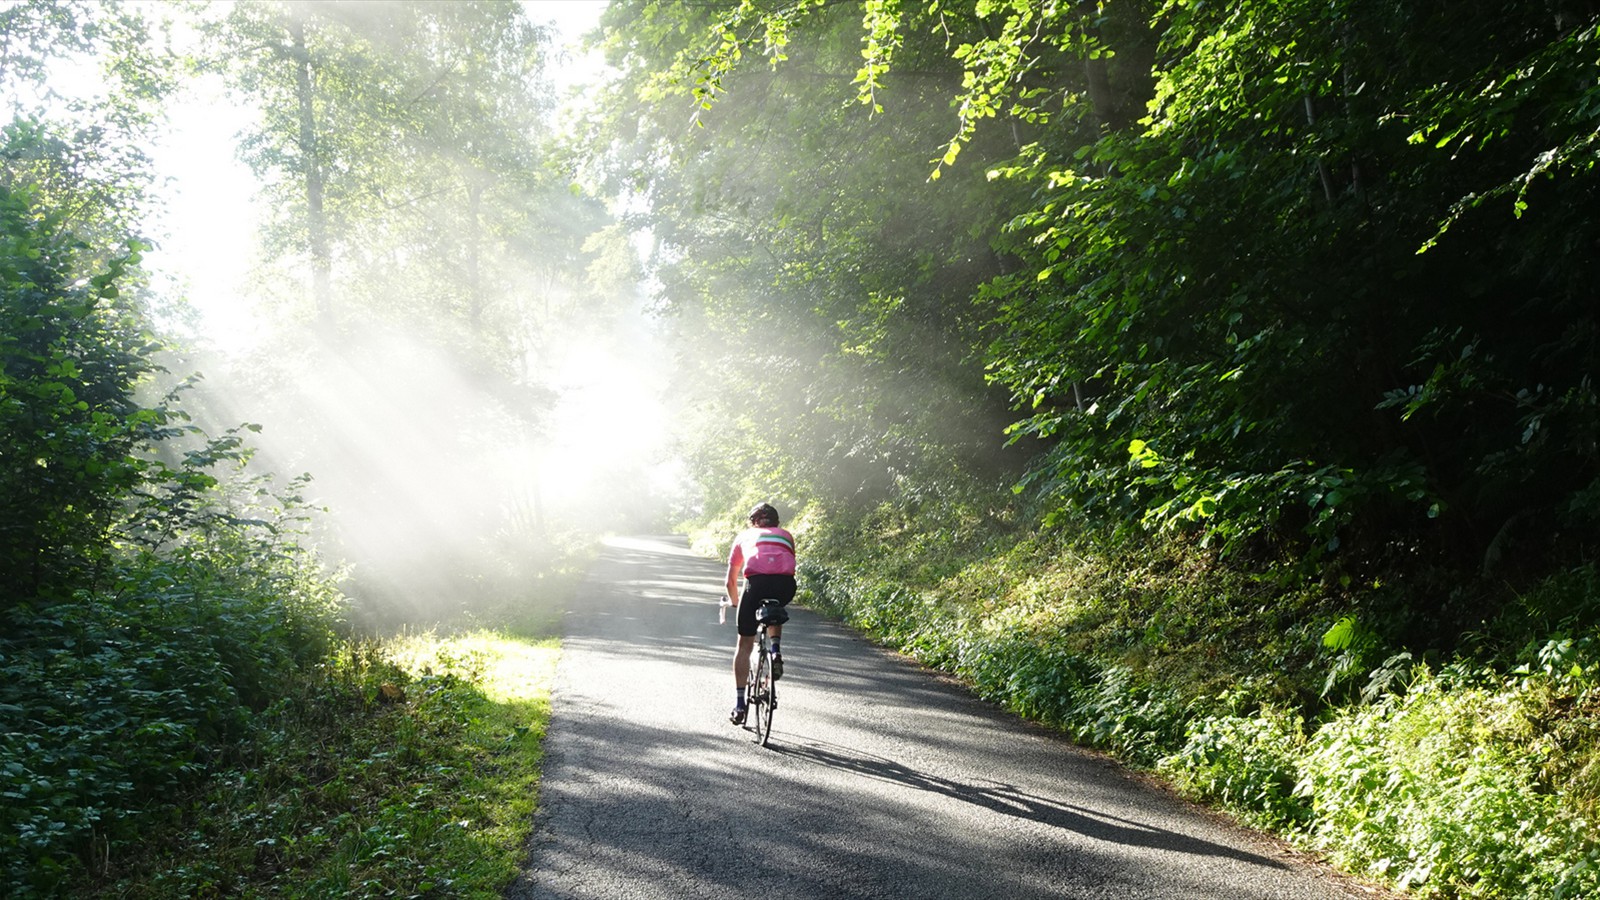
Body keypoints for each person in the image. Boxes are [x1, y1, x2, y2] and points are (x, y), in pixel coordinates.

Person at [725, 502, 796, 725]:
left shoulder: (744, 536)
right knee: (774, 609)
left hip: (755, 584)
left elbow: (730, 580)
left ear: (753, 522)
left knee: (744, 645)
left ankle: (739, 705)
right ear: (776, 522)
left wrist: (736, 602)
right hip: (786, 585)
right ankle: (775, 650)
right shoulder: (786, 535)